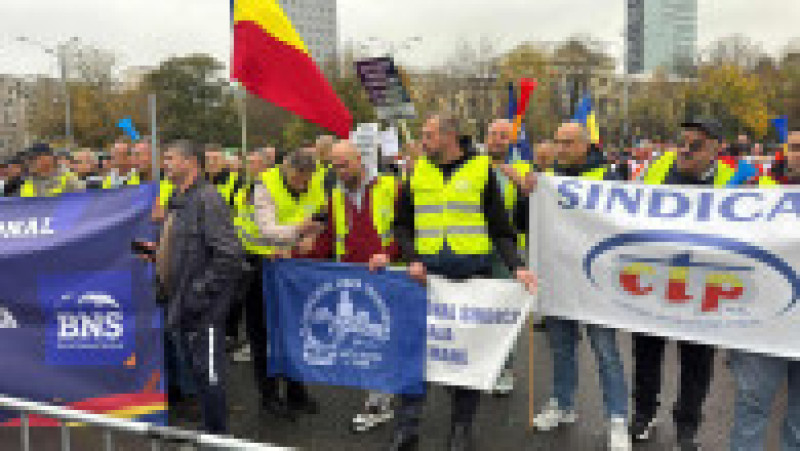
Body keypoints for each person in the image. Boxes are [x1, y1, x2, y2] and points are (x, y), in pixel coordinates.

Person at [388, 113, 536, 451]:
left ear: (449, 137)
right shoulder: (417, 170)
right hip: (427, 280)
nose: (422, 141)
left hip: (473, 279)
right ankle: (407, 426)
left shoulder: (481, 169)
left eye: (428, 135)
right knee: (416, 353)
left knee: (465, 358)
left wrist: (517, 267)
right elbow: (401, 225)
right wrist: (411, 257)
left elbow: (501, 229)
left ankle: (461, 430)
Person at [529, 122, 631, 451]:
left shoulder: (607, 178)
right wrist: (527, 193)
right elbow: (525, 221)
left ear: (586, 146)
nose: (560, 149)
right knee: (561, 347)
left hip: (597, 281)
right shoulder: (547, 179)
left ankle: (617, 419)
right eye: (557, 142)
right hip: (559, 276)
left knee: (606, 352)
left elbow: (624, 224)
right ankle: (562, 403)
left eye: (568, 143)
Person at [631, 119, 729, 450]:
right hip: (654, 282)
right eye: (681, 141)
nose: (685, 149)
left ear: (717, 148)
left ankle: (687, 427)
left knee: (697, 362)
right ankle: (644, 414)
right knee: (645, 354)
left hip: (704, 288)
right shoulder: (656, 169)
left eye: (696, 144)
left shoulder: (736, 181)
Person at [139, 140, 246, 434]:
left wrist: (199, 293)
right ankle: (208, 430)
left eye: (170, 158)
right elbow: (184, 245)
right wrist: (157, 251)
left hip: (203, 309)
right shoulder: (179, 197)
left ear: (190, 162)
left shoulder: (207, 200)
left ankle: (217, 436)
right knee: (199, 374)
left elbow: (230, 255)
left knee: (209, 375)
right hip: (182, 303)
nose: (165, 164)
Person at [309, 140, 402, 433]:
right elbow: (329, 238)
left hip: (387, 275)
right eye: (334, 166)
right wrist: (294, 255)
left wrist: (390, 253)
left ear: (360, 160)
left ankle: (382, 400)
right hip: (354, 278)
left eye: (344, 164)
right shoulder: (336, 196)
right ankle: (379, 400)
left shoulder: (391, 187)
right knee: (371, 340)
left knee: (385, 336)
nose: (339, 171)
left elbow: (408, 229)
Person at [727, 130, 800, 451]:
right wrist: (731, 190)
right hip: (764, 320)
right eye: (796, 148)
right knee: (752, 408)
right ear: (786, 151)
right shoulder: (758, 189)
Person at [249, 148, 328, 419]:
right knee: (264, 335)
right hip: (262, 266)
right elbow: (266, 228)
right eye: (299, 180)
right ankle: (269, 396)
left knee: (297, 330)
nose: (303, 185)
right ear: (287, 169)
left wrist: (315, 234)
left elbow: (323, 216)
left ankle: (296, 392)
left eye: (307, 180)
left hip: (294, 266)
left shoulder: (315, 179)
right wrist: (300, 230)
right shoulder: (265, 184)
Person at [484, 119, 533, 395]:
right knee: (477, 309)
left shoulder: (525, 169)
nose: (497, 140)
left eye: (504, 136)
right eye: (493, 135)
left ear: (512, 141)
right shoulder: (474, 165)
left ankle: (505, 369)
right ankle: (481, 366)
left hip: (508, 253)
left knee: (504, 312)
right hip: (475, 248)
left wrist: (520, 182)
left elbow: (537, 202)